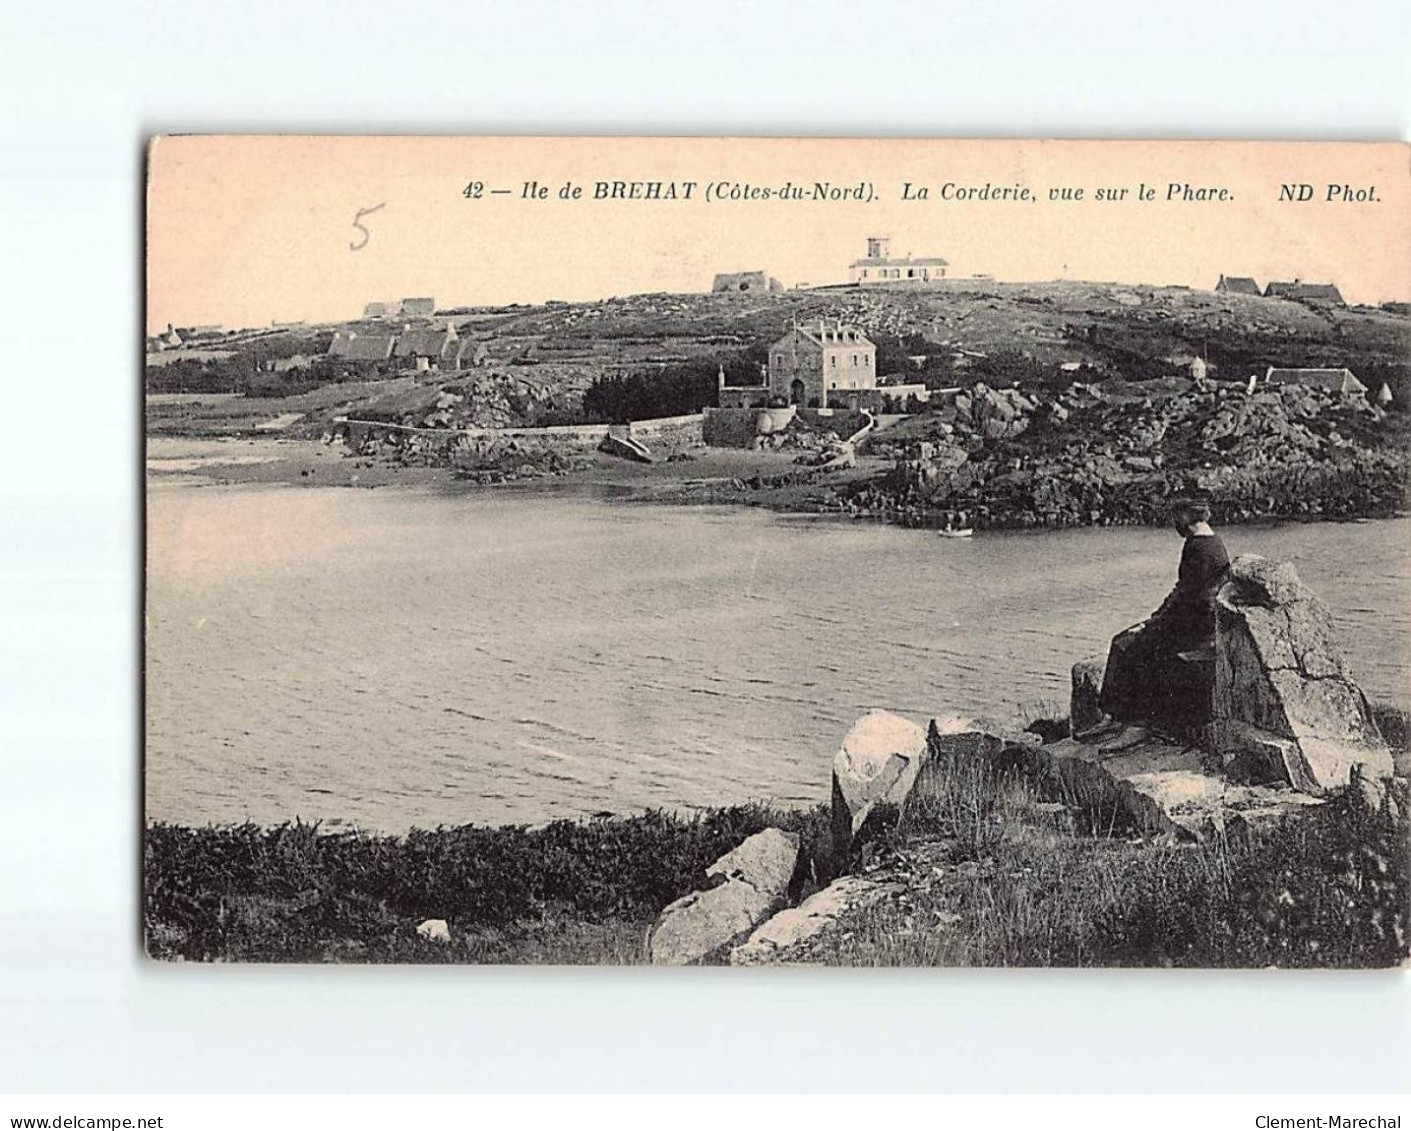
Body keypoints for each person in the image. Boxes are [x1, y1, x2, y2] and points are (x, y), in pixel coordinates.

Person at [1098, 494, 1231, 736]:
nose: (1174, 522)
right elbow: (1183, 592)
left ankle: (1136, 725)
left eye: (1176, 516)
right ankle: (1115, 718)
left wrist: (1155, 625)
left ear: (1188, 515)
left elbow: (1189, 599)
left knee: (1128, 645)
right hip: (1193, 619)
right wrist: (1156, 618)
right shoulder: (1210, 542)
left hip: (1194, 626)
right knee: (1125, 640)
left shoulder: (1199, 548)